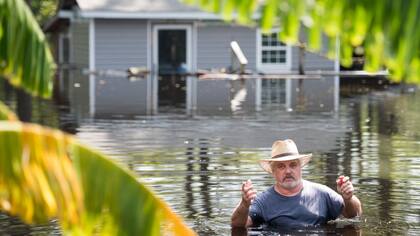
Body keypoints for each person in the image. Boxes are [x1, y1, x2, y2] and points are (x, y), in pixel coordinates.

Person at [231, 139, 362, 228]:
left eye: (293, 165)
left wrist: (348, 198)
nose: (288, 171)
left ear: (300, 167)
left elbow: (354, 215)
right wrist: (244, 204)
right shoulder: (262, 201)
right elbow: (237, 225)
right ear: (273, 171)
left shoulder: (322, 193)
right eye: (281, 166)